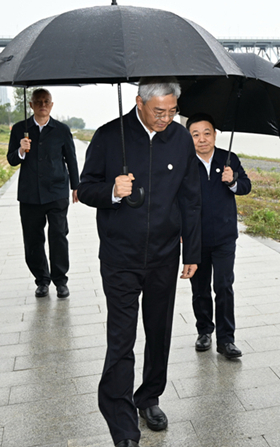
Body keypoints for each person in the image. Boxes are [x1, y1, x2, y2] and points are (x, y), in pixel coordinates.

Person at [77, 78, 201, 447]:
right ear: (139, 103)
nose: (166, 118)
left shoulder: (180, 140)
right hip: (120, 256)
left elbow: (191, 198)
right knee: (121, 339)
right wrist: (113, 191)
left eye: (173, 111)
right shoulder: (107, 136)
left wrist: (192, 251)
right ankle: (122, 425)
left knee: (159, 331)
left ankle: (149, 397)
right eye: (158, 111)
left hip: (164, 254)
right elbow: (85, 189)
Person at [186, 113, 251, 360]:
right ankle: (204, 331)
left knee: (224, 286)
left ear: (215, 134)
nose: (202, 139)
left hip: (224, 236)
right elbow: (175, 199)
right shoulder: (185, 162)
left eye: (207, 133)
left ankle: (227, 340)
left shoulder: (228, 158)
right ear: (189, 137)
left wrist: (232, 180)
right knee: (200, 288)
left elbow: (246, 186)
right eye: (195, 134)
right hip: (196, 237)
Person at [6, 88, 79, 299]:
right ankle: (42, 280)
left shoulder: (62, 130)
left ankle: (61, 281)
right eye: (38, 102)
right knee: (33, 240)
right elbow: (11, 160)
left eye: (46, 101)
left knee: (58, 236)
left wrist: (76, 186)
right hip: (29, 195)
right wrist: (21, 150)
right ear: (31, 105)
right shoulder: (21, 129)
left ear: (52, 105)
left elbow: (71, 159)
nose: (42, 105)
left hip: (56, 192)